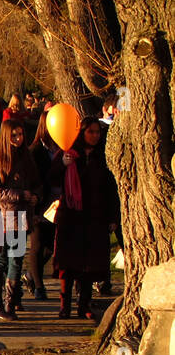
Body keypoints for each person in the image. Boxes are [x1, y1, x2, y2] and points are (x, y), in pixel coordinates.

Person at [50, 117, 121, 320]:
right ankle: (65, 305)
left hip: (95, 216)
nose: (95, 136)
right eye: (90, 132)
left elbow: (111, 189)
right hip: (71, 216)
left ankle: (84, 304)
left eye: (97, 132)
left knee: (90, 266)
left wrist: (113, 216)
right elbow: (52, 179)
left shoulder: (103, 157)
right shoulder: (68, 154)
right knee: (68, 264)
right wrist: (63, 165)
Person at [0, 115, 41, 320]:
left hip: (22, 215)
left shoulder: (26, 156)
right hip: (4, 214)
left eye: (20, 134)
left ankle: (11, 302)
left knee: (16, 259)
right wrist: (19, 195)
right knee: (1, 258)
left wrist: (35, 196)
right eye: (14, 135)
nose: (18, 138)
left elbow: (36, 181)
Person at [25, 108, 60, 302]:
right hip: (40, 202)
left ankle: (31, 275)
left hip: (58, 202)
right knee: (38, 245)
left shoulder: (63, 147)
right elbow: (36, 178)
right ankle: (39, 285)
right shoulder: (36, 150)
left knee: (51, 245)